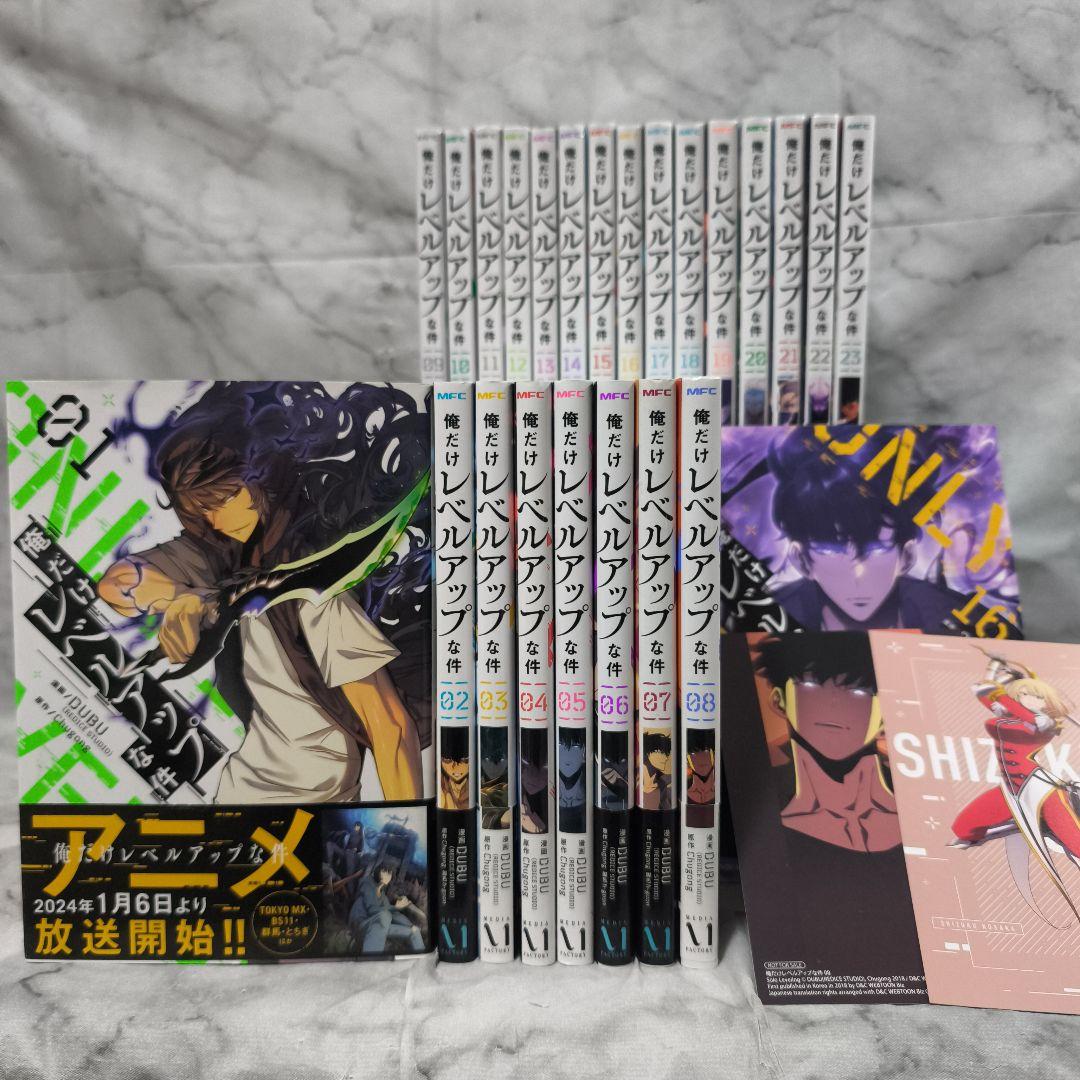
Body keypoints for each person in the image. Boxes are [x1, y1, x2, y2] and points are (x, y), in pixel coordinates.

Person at [97, 382, 430, 804]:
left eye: (229, 496)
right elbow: (117, 584)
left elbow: (390, 726)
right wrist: (181, 597)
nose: (219, 519)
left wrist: (409, 827)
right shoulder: (223, 553)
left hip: (311, 801)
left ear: (265, 474)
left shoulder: (313, 587)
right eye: (203, 508)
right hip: (245, 789)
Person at [764, 430, 968, 631]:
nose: (858, 575)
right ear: (801, 560)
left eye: (877, 549)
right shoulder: (769, 618)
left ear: (907, 556)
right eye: (832, 551)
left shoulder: (954, 618)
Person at [752, 632, 899, 853]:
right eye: (810, 684)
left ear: (884, 717)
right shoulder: (758, 807)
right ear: (779, 700)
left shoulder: (919, 806)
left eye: (858, 690)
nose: (834, 703)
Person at [349, 863, 424, 954]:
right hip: (360, 925)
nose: (387, 876)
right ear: (378, 871)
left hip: (380, 926)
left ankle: (422, 958)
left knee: (414, 932)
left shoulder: (383, 896)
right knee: (385, 915)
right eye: (384, 871)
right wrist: (395, 907)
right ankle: (371, 958)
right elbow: (372, 910)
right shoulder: (367, 884)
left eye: (389, 873)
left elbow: (394, 914)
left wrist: (410, 925)